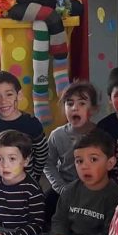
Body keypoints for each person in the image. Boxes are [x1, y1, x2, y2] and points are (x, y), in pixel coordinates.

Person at [5, 130, 118, 235]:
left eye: (93, 159)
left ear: (110, 163)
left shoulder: (117, 198)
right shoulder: (70, 190)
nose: (85, 166)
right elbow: (59, 220)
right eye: (79, 161)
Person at [0, 70, 47, 183]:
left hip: (25, 183)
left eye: (9, 94)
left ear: (19, 95)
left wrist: (33, 177)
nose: (3, 101)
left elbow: (41, 155)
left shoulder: (32, 125)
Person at [44, 81, 102, 211]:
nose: (75, 108)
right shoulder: (57, 135)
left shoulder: (100, 135)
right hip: (65, 187)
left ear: (93, 109)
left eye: (82, 103)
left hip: (94, 189)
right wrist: (61, 187)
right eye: (69, 104)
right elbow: (48, 163)